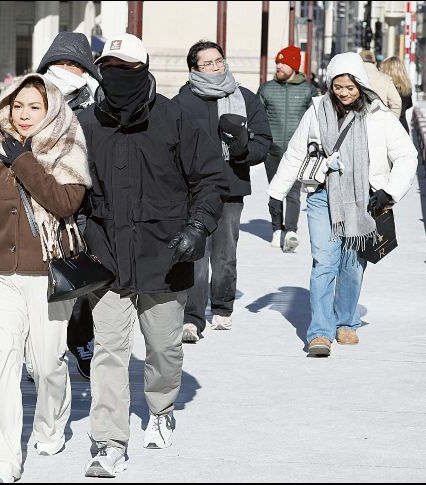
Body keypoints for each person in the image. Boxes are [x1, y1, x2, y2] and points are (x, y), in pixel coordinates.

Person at [79, 33, 228, 478]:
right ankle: (109, 441)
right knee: (109, 349)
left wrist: (198, 227)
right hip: (105, 256)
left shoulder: (176, 119)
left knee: (163, 349)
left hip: (165, 254)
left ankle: (161, 408)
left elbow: (209, 180)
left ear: (143, 71)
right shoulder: (85, 124)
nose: (117, 76)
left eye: (126, 68)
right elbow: (66, 184)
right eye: (109, 68)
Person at [0, 73, 90, 483]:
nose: (24, 114)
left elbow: (65, 202)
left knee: (46, 364)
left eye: (35, 106)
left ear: (51, 111)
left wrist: (23, 161)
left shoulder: (67, 145)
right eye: (18, 105)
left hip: (49, 274)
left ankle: (49, 426)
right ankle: (4, 458)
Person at [267, 52, 417, 357]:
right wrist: (276, 192)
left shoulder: (379, 115)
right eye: (338, 87)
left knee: (352, 264)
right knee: (324, 261)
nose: (344, 93)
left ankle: (347, 320)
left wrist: (390, 191)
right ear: (330, 84)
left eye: (350, 87)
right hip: (322, 195)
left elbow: (406, 155)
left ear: (360, 84)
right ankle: (320, 332)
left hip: (365, 198)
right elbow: (296, 152)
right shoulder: (316, 112)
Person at [173, 40, 272, 343]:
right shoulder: (181, 103)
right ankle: (192, 318)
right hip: (194, 189)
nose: (216, 67)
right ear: (193, 69)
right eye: (208, 63)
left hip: (231, 187)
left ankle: (223, 307)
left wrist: (242, 150)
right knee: (195, 254)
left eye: (219, 61)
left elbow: (264, 142)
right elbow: (169, 146)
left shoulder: (246, 98)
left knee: (225, 254)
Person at [36, 31, 103, 380]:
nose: (65, 70)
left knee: (79, 281)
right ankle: (40, 354)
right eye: (59, 63)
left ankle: (80, 341)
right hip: (35, 203)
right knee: (38, 282)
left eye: (74, 64)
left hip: (82, 203)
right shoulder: (31, 99)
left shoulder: (97, 103)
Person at [257, 45, 318, 253]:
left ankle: (291, 231)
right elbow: (258, 119)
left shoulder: (308, 91)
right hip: (272, 150)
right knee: (275, 192)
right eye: (277, 62)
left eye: (283, 63)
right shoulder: (266, 89)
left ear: (294, 65)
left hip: (298, 152)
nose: (279, 66)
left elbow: (316, 120)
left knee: (293, 193)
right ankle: (276, 229)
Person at [359, 50, 401, 118]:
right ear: (375, 63)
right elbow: (396, 102)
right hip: (379, 120)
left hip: (358, 121)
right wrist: (391, 121)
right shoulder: (386, 79)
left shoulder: (352, 77)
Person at [380, 56, 413, 133]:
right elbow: (409, 104)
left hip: (387, 129)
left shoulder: (385, 87)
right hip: (403, 128)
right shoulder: (406, 87)